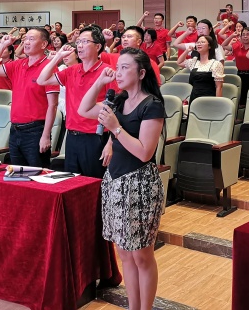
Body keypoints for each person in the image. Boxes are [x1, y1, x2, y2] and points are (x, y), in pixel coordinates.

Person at [78, 47, 165, 310]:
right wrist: (99, 82)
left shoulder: (152, 105)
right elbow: (84, 109)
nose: (119, 72)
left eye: (125, 68)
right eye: (118, 67)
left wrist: (115, 128)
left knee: (141, 255)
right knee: (124, 252)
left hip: (139, 183)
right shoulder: (118, 100)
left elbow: (144, 152)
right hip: (115, 182)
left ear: (141, 73)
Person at [37, 26, 110, 178]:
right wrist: (57, 57)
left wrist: (111, 143)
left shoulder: (107, 72)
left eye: (85, 42)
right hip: (71, 136)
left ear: (98, 47)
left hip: (95, 137)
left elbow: (119, 110)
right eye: (78, 42)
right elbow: (41, 80)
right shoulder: (72, 70)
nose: (80, 46)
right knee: (72, 182)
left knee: (93, 183)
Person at [0, 30, 58, 167]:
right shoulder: (18, 64)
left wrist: (46, 135)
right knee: (18, 173)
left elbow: (52, 105)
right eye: (25, 39)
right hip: (15, 129)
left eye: (31, 39)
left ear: (44, 44)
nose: (26, 42)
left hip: (36, 130)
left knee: (37, 173)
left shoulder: (49, 68)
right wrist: (3, 45)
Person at [177, 35, 224, 105]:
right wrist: (187, 51)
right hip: (194, 98)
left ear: (209, 46)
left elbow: (219, 87)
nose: (199, 44)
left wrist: (217, 103)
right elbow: (179, 62)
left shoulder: (216, 64)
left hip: (209, 99)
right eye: (198, 42)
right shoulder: (194, 61)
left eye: (202, 42)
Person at [221, 26, 249, 105]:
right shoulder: (237, 46)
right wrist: (232, 36)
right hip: (240, 74)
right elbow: (223, 45)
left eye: (248, 34)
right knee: (241, 97)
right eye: (243, 34)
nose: (245, 36)